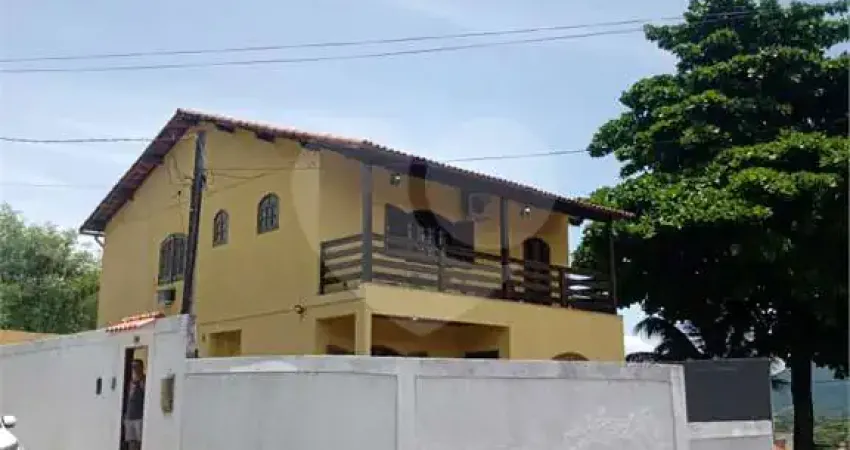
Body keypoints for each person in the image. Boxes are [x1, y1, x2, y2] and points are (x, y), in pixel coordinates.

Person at [123, 359, 146, 450]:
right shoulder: (130, 381)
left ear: (141, 367)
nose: (134, 368)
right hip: (129, 416)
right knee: (131, 441)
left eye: (136, 366)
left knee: (139, 441)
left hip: (139, 417)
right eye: (133, 366)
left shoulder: (144, 380)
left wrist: (140, 382)